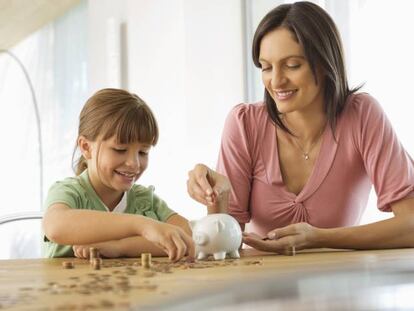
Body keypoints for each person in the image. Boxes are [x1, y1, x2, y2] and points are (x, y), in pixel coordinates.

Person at [187, 1, 414, 253]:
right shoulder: (244, 123)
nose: (276, 81)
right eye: (266, 67)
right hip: (260, 285)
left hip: (341, 285)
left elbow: (411, 225)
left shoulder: (362, 115)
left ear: (326, 64)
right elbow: (227, 243)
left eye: (292, 65)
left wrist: (318, 237)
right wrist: (216, 195)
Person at [43, 88, 194, 261]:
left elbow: (187, 236)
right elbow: (55, 226)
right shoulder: (69, 192)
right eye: (120, 150)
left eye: (143, 152)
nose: (134, 163)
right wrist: (141, 226)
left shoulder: (146, 200)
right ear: (86, 147)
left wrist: (119, 247)